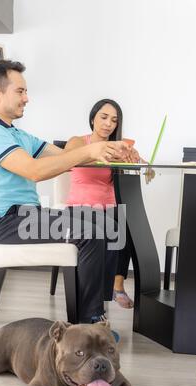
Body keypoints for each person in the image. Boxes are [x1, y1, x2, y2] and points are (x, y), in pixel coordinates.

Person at [0, 60, 138, 331]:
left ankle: (93, 313)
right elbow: (34, 171)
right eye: (20, 91)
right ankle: (88, 326)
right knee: (90, 232)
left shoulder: (17, 134)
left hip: (26, 217)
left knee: (106, 225)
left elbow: (67, 159)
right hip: (7, 224)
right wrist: (89, 150)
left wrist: (111, 154)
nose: (27, 98)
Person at [66, 99, 141, 308]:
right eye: (104, 117)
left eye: (114, 120)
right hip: (80, 208)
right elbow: (68, 160)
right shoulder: (78, 142)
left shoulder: (118, 147)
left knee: (128, 224)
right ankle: (98, 298)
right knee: (109, 226)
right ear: (93, 118)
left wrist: (139, 162)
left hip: (109, 207)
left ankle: (115, 287)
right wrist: (105, 154)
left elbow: (140, 162)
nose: (109, 124)